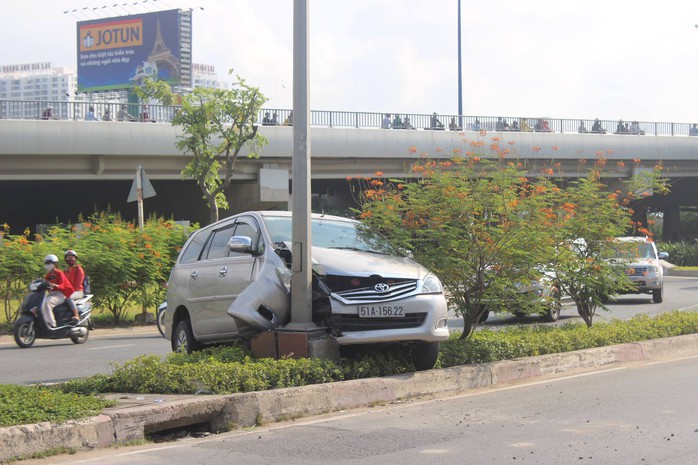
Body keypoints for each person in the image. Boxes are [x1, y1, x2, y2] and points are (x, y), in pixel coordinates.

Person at [40, 254, 74, 328]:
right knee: (39, 303)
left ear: (55, 264)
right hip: (51, 294)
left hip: (60, 294)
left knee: (47, 303)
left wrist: (56, 286)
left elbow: (64, 285)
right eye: (46, 263)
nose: (47, 265)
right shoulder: (48, 275)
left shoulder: (59, 273)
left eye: (49, 262)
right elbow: (45, 283)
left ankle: (51, 324)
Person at [63, 249, 85, 322]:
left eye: (72, 257)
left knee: (68, 297)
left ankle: (76, 315)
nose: (70, 259)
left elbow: (78, 283)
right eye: (68, 258)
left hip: (77, 291)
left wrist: (69, 291)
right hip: (67, 292)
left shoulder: (79, 269)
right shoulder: (65, 270)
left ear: (75, 259)